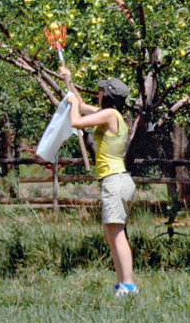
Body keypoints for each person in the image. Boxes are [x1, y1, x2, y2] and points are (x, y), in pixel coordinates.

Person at [59, 65, 137, 297]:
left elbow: (76, 120)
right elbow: (82, 105)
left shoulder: (110, 114)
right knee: (110, 232)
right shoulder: (113, 115)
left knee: (116, 233)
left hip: (115, 180)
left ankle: (129, 286)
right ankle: (122, 284)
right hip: (116, 180)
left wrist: (73, 106)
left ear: (108, 95)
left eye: (101, 90)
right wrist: (68, 79)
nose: (98, 93)